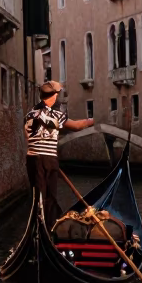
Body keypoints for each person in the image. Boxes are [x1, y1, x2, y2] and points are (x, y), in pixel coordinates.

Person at [23, 81, 94, 228]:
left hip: (32, 160)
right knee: (50, 198)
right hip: (49, 160)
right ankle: (49, 228)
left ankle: (38, 227)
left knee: (37, 196)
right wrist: (92, 121)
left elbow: (27, 137)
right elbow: (76, 126)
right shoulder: (56, 115)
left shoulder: (29, 114)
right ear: (54, 96)